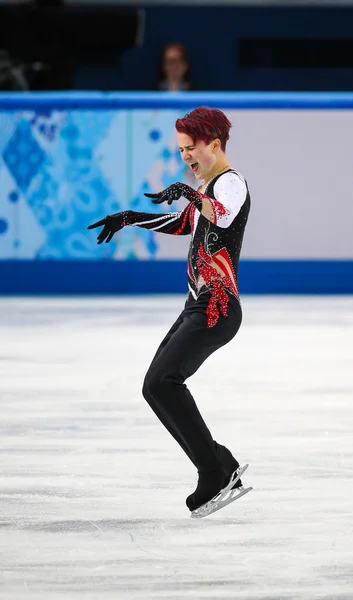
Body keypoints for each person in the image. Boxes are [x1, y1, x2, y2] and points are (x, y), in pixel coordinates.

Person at [88, 106, 251, 516]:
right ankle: (219, 461)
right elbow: (183, 223)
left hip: (216, 305)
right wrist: (129, 218)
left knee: (164, 382)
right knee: (154, 385)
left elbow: (222, 216)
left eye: (191, 149)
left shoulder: (230, 184)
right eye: (180, 151)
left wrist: (188, 190)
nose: (187, 158)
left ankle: (212, 469)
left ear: (214, 144)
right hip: (197, 304)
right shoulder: (208, 188)